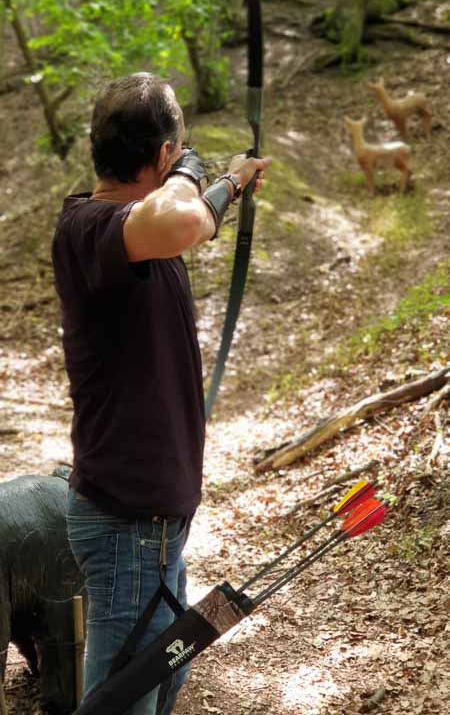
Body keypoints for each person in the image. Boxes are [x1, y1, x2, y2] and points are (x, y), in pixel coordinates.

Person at [52, 71, 270, 715]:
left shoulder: (135, 231)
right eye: (176, 153)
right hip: (126, 525)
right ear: (164, 156)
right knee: (122, 705)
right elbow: (178, 219)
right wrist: (198, 174)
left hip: (155, 523)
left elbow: (181, 221)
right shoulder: (89, 229)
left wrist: (229, 183)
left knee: (158, 690)